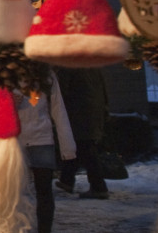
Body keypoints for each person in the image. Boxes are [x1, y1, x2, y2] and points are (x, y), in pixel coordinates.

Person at [17, 66, 76, 233]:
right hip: (18, 138)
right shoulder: (8, 73)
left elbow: (58, 109)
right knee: (19, 191)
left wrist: (68, 147)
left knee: (43, 190)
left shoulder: (46, 75)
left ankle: (43, 229)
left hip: (39, 138)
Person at [55, 66, 110, 199]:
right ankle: (66, 180)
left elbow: (61, 91)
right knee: (80, 145)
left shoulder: (68, 68)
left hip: (78, 113)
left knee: (85, 147)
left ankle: (99, 186)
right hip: (92, 112)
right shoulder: (92, 68)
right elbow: (103, 90)